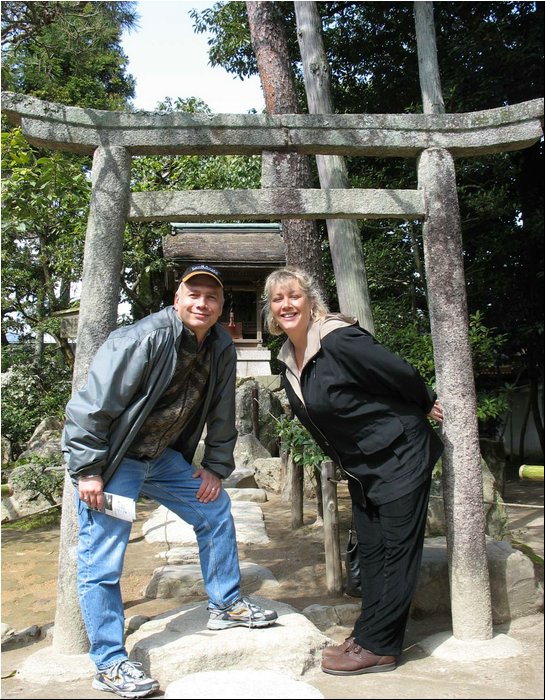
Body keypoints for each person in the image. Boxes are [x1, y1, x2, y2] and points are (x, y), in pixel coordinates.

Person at [62, 263, 277, 699]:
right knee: (102, 559)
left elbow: (221, 411)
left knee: (214, 508)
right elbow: (91, 406)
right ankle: (109, 663)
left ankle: (225, 603)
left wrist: (216, 467)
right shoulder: (142, 339)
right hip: (116, 460)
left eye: (211, 297)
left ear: (221, 306)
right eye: (193, 294)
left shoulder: (219, 344)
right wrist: (87, 469)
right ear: (177, 299)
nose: (202, 303)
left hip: (161, 459)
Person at [263, 266, 443, 676]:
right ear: (271, 311)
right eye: (278, 299)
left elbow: (398, 372)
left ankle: (381, 647)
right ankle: (366, 634)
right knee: (373, 550)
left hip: (400, 452)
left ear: (311, 301)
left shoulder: (339, 340)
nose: (287, 305)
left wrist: (424, 400)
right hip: (364, 467)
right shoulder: (289, 358)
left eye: (294, 296)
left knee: (397, 551)